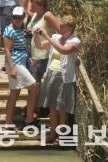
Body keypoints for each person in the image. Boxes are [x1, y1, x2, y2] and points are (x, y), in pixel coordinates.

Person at [34, 15, 80, 145]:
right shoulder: (56, 37)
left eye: (65, 27)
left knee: (62, 109)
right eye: (61, 26)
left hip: (65, 78)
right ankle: (52, 134)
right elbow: (40, 46)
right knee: (53, 108)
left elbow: (64, 50)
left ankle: (61, 136)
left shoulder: (75, 41)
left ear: (71, 28)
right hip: (51, 75)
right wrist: (37, 35)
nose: (63, 29)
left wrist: (47, 36)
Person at [2, 6, 38, 128]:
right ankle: (29, 118)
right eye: (15, 17)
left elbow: (22, 47)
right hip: (15, 63)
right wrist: (12, 68)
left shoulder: (19, 28)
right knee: (34, 86)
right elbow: (7, 50)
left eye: (19, 17)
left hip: (21, 61)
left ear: (23, 18)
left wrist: (28, 58)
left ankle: (9, 122)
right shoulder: (10, 30)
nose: (17, 20)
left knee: (15, 92)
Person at [26, 0, 60, 117]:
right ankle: (35, 107)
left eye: (33, 4)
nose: (31, 6)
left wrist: (51, 43)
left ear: (41, 6)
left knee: (35, 83)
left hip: (42, 54)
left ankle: (36, 109)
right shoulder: (35, 15)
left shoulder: (48, 15)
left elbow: (61, 31)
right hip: (32, 53)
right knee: (34, 82)